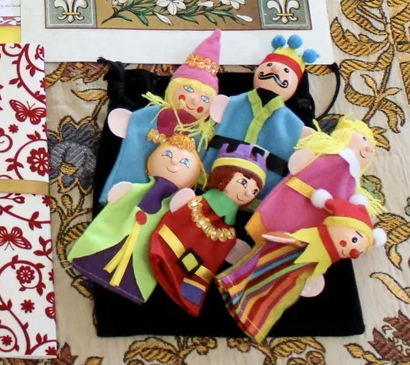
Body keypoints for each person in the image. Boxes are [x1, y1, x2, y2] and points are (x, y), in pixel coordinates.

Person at [217, 198, 384, 342]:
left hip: (296, 276)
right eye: (355, 240)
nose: (354, 252)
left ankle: (251, 314)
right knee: (259, 274)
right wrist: (281, 238)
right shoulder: (311, 237)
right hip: (278, 259)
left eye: (359, 250)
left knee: (275, 294)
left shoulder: (326, 258)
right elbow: (294, 239)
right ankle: (236, 289)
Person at [69, 131, 201, 304]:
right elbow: (117, 197)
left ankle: (132, 286)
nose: (174, 162)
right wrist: (123, 193)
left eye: (185, 162)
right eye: (168, 154)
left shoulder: (174, 205)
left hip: (146, 245)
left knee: (139, 262)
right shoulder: (137, 190)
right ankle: (89, 261)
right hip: (119, 231)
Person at [101, 30, 221, 201]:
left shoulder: (202, 133)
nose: (195, 100)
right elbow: (135, 133)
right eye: (188, 89)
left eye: (205, 98)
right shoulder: (150, 115)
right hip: (132, 183)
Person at [149, 143, 266, 316]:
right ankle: (167, 258)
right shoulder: (198, 204)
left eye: (255, 191)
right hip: (161, 253)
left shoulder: (228, 229)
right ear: (224, 176)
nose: (249, 193)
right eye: (243, 182)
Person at [205, 34, 318, 196]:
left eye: (286, 70)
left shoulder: (294, 125)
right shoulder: (231, 103)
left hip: (258, 194)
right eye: (269, 65)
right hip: (210, 179)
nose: (275, 70)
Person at [247, 116, 381, 239]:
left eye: (372, 148)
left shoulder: (351, 182)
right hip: (294, 199)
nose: (368, 148)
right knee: (278, 221)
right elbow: (298, 163)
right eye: (364, 139)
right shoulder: (325, 156)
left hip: (317, 221)